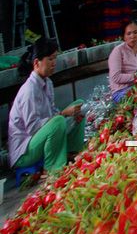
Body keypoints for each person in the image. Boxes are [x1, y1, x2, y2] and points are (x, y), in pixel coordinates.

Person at [9, 37, 85, 174]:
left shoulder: (47, 82)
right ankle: (51, 169)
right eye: (50, 59)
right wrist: (62, 114)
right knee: (58, 121)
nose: (54, 63)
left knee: (78, 106)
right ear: (37, 63)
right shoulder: (29, 90)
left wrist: (70, 114)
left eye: (55, 58)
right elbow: (33, 128)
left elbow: (52, 111)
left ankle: (72, 152)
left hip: (39, 138)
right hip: (24, 151)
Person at [108, 20, 137, 103]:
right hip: (121, 91)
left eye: (135, 32)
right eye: (128, 33)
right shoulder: (118, 51)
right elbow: (115, 77)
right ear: (124, 37)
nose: (132, 36)